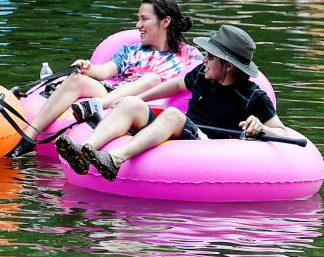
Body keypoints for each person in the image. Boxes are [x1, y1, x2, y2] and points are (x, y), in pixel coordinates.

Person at [54, 25, 286, 181]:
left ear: (229, 65)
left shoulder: (253, 96)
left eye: (211, 56)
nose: (204, 59)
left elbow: (281, 131)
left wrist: (261, 127)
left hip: (207, 143)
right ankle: (86, 152)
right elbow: (175, 85)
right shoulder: (201, 75)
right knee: (131, 104)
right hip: (185, 130)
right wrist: (137, 99)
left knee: (174, 115)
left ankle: (115, 159)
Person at [6, 0, 198, 158]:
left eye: (144, 19)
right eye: (138, 19)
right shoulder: (130, 51)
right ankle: (28, 139)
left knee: (151, 79)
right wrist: (87, 68)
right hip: (115, 94)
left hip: (149, 106)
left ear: (165, 22)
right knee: (76, 80)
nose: (138, 25)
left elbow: (192, 84)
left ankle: (97, 106)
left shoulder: (189, 56)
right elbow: (105, 71)